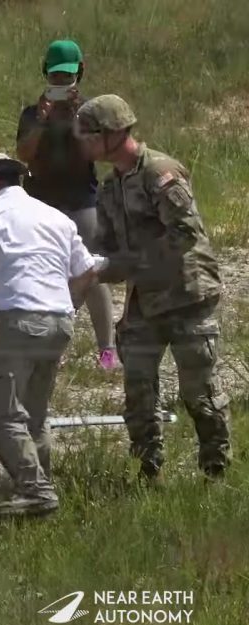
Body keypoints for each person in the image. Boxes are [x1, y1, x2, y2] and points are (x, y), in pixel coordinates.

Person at [73, 94, 231, 480]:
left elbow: (185, 233)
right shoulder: (109, 189)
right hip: (144, 299)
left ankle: (216, 470)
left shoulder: (160, 173)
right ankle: (148, 468)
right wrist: (89, 267)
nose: (84, 145)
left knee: (199, 392)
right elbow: (109, 249)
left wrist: (127, 262)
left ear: (113, 134)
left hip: (187, 295)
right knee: (139, 389)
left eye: (89, 136)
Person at [0, 152, 104, 516]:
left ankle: (35, 491)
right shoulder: (56, 217)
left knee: (2, 417)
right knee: (34, 415)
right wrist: (66, 303)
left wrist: (0, 300)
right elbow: (88, 271)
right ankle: (40, 485)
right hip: (60, 322)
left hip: (18, 322)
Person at [16, 38, 118, 371]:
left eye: (67, 76)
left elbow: (95, 153)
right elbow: (24, 154)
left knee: (92, 273)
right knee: (41, 275)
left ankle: (107, 352)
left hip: (80, 201)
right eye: (55, 76)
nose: (60, 82)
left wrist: (76, 118)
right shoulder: (32, 114)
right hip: (41, 203)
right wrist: (42, 122)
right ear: (46, 74)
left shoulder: (89, 112)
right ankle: (45, 350)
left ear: (79, 74)